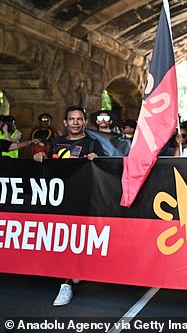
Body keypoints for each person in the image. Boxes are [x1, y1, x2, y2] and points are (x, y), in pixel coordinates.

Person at [33, 105, 104, 306]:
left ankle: (70, 279)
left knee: (76, 240)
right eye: (71, 119)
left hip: (83, 199)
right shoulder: (56, 143)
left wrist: (97, 161)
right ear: (65, 123)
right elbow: (48, 166)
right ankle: (68, 279)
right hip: (59, 200)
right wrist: (41, 158)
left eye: (79, 119)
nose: (75, 122)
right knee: (63, 240)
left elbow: (105, 169)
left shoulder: (92, 144)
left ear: (85, 122)